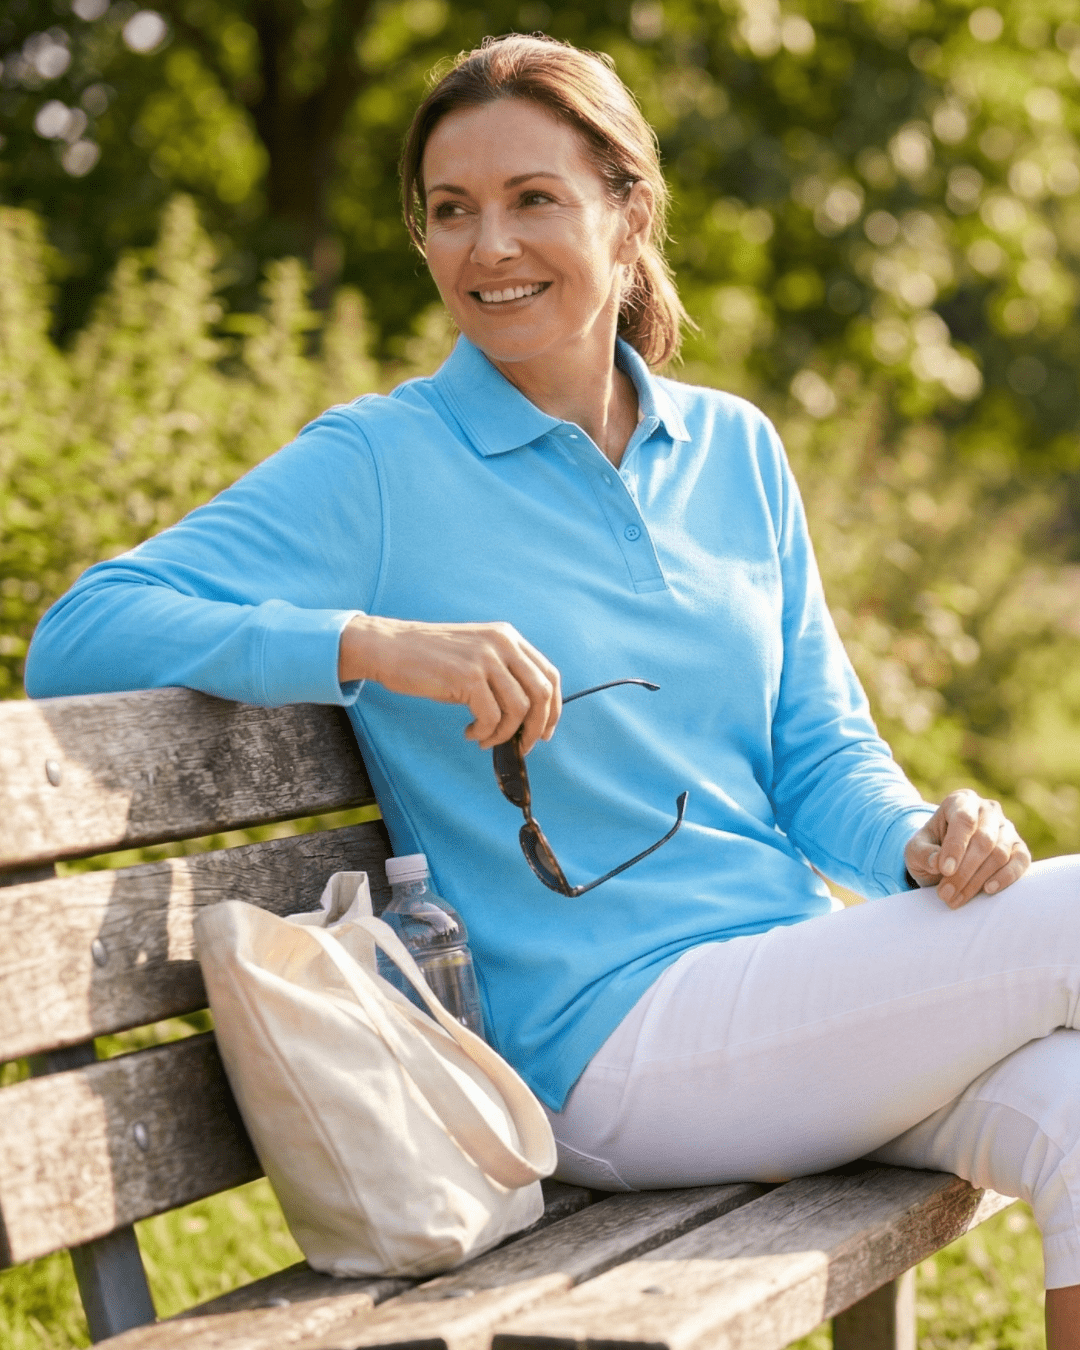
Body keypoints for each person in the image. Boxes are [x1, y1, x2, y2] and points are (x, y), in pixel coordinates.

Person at [24, 33, 1080, 1345]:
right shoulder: (384, 462)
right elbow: (80, 634)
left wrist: (921, 832)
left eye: (534, 199)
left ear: (629, 214)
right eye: (451, 211)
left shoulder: (734, 450)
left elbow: (820, 758)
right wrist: (371, 643)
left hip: (787, 990)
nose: (489, 248)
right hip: (601, 1050)